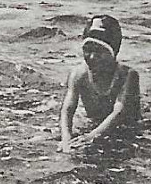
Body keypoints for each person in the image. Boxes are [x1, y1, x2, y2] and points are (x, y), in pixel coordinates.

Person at [59, 14, 141, 151]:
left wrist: (89, 137)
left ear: (113, 53)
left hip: (124, 126)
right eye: (87, 50)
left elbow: (119, 113)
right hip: (96, 124)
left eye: (99, 51)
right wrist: (66, 138)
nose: (92, 57)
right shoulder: (78, 74)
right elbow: (67, 110)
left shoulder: (127, 76)